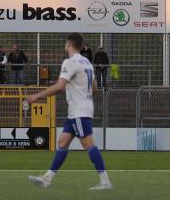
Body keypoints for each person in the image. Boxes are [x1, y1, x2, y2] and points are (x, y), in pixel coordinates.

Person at [26, 33, 112, 191]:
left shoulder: (70, 62)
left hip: (79, 110)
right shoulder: (86, 62)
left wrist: (36, 96)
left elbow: (59, 86)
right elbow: (94, 88)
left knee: (88, 144)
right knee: (62, 142)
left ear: (69, 44)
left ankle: (105, 181)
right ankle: (47, 178)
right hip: (80, 109)